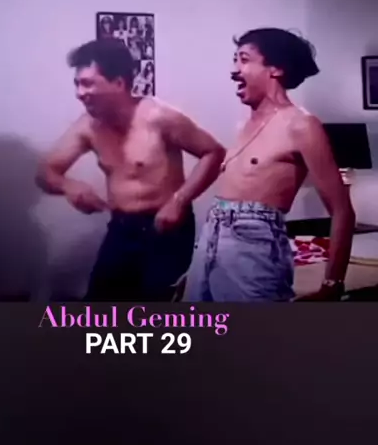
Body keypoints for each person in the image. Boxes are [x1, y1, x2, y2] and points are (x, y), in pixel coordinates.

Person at [36, 38, 226, 302]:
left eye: (88, 83)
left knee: (158, 307)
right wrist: (68, 186)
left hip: (166, 230)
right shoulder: (88, 126)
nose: (80, 93)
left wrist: (179, 200)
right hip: (121, 228)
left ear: (118, 83)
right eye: (77, 84)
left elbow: (214, 153)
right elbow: (45, 172)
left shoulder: (159, 118)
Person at [184, 28, 356, 303]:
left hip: (256, 245)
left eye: (243, 59)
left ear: (276, 69)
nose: (233, 70)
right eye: (235, 60)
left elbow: (342, 210)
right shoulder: (245, 124)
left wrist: (332, 283)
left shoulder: (302, 125)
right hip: (211, 237)